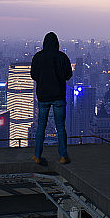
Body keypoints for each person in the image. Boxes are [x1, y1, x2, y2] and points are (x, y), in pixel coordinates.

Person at [30, 31, 73, 165]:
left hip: (43, 96)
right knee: (60, 127)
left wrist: (43, 79)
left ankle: (37, 156)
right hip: (59, 96)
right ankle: (63, 156)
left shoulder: (38, 57)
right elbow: (68, 75)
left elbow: (33, 75)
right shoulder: (62, 57)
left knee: (41, 126)